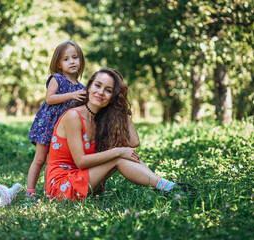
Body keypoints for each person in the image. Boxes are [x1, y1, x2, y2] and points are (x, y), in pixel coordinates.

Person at [46, 67, 187, 201]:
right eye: (97, 85)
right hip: (61, 186)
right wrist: (119, 151)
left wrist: (121, 108)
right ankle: (170, 188)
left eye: (108, 90)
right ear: (88, 87)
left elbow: (133, 142)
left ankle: (167, 187)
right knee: (118, 157)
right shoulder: (73, 116)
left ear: (112, 97)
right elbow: (81, 162)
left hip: (82, 179)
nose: (101, 92)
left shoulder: (99, 121)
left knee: (125, 154)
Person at [26, 41, 87, 197]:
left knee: (53, 162)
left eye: (75, 57)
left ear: (80, 60)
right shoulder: (57, 78)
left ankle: (50, 192)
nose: (72, 61)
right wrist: (71, 95)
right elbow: (49, 99)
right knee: (39, 159)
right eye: (66, 59)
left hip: (64, 131)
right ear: (59, 64)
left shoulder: (81, 88)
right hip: (48, 124)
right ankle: (30, 192)